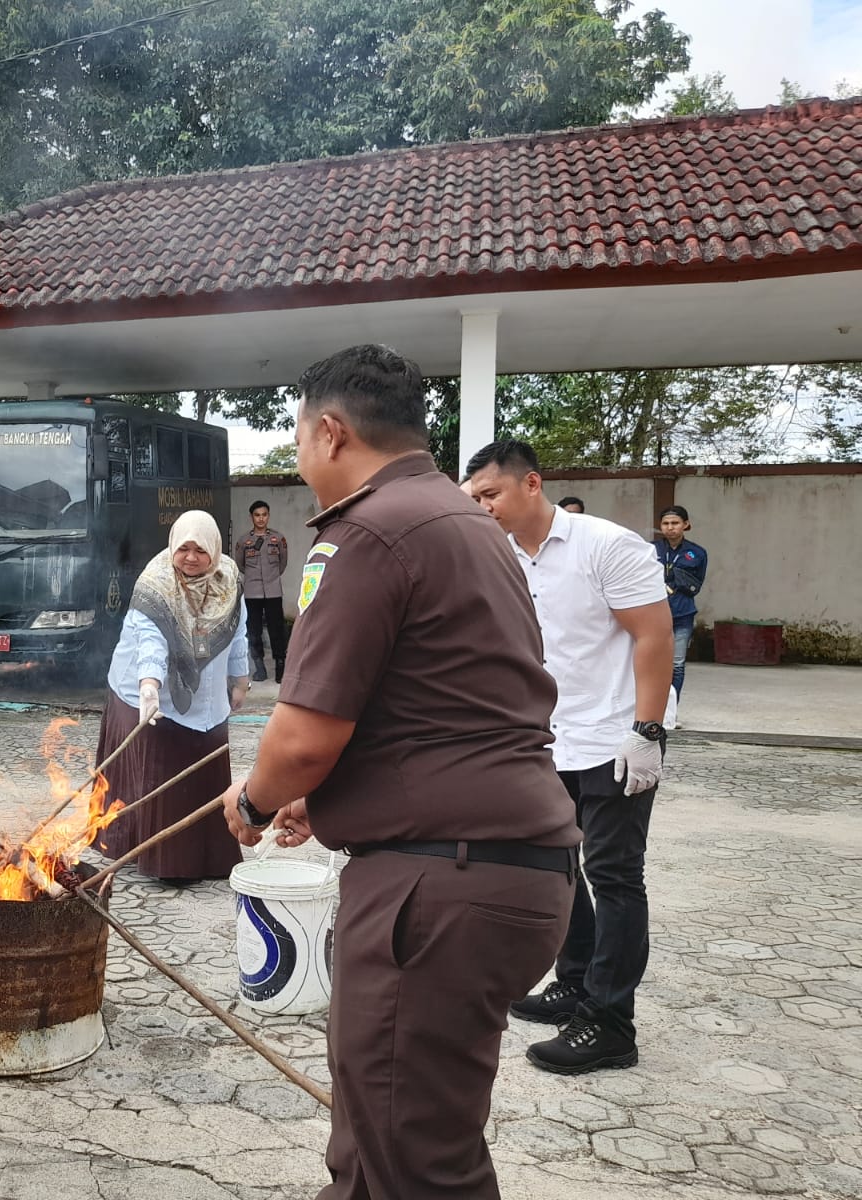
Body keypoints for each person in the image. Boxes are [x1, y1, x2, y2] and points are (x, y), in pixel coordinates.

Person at [218, 345, 577, 1200]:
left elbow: (302, 735)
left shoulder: (368, 532)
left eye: (299, 436)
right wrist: (333, 793)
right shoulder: (463, 522)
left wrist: (256, 795)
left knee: (413, 1164)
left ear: (331, 432)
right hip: (505, 867)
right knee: (379, 1144)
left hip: (441, 884)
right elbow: (434, 699)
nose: (299, 459)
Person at [466, 440, 673, 1076]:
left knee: (612, 875)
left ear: (532, 484)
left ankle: (611, 1023)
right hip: (546, 739)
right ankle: (575, 984)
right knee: (559, 869)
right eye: (473, 499)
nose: (482, 508)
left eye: (490, 495)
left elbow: (654, 634)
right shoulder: (497, 556)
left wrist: (647, 729)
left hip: (614, 738)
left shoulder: (605, 545)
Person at [92, 511, 249, 884]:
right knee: (156, 770)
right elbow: (151, 643)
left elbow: (239, 632)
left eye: (200, 550)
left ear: (214, 550)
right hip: (143, 693)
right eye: (184, 549)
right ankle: (159, 860)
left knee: (204, 763)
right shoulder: (155, 584)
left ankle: (208, 856)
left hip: (207, 697)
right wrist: (149, 687)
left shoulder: (229, 580)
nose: (191, 557)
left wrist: (240, 679)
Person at [654, 505, 707, 707]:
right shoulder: (651, 549)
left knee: (676, 665)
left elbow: (697, 584)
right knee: (651, 664)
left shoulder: (697, 553)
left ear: (686, 525)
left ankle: (671, 711)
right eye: (666, 523)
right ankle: (650, 711)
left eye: (675, 523)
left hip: (682, 614)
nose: (670, 528)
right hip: (654, 616)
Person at [238, 500, 289, 682]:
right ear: (252, 517)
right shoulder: (244, 541)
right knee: (254, 630)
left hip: (274, 591)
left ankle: (280, 666)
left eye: (264, 514)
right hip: (252, 592)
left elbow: (282, 563)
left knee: (277, 630)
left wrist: (271, 577)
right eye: (257, 515)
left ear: (268, 516)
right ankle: (259, 667)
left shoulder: (279, 538)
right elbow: (241, 564)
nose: (261, 518)